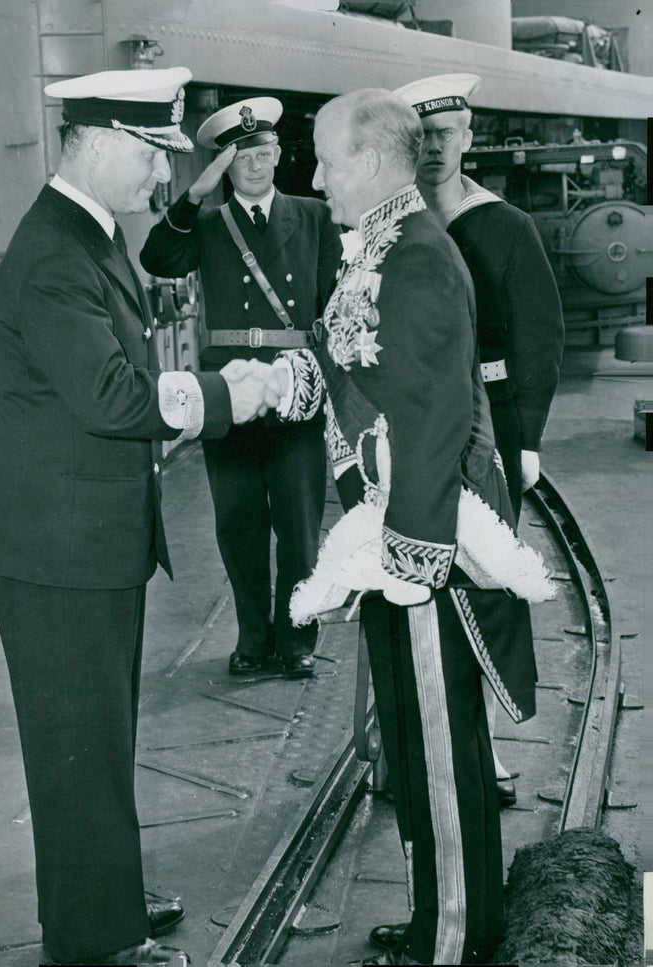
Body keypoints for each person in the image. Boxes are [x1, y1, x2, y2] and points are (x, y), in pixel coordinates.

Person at [0, 67, 279, 967]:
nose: (163, 180)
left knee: (97, 737)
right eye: (154, 157)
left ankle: (105, 890)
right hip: (56, 547)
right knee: (77, 746)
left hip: (88, 538)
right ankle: (95, 942)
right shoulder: (53, 254)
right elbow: (111, 394)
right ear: (103, 141)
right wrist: (236, 389)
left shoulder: (89, 231)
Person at [269, 88, 551, 965]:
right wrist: (282, 378)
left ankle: (460, 937)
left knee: (439, 746)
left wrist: (411, 556)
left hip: (427, 547)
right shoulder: (385, 246)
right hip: (397, 533)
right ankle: (440, 914)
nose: (315, 178)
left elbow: (432, 418)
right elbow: (348, 353)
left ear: (375, 161)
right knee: (413, 735)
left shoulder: (418, 258)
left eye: (325, 160)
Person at [394, 73, 564, 811]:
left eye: (446, 134)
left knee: (484, 590)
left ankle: (482, 750)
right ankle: (415, 747)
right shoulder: (393, 224)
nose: (434, 149)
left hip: (486, 429)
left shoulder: (504, 227)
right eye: (421, 136)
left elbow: (539, 339)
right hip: (409, 433)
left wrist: (525, 440)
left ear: (468, 137)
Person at [140, 97, 341, 679]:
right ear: (224, 165)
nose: (254, 162)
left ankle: (298, 638)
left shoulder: (314, 217)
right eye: (240, 154)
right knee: (239, 523)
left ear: (279, 154)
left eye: (262, 150)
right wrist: (193, 194)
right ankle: (253, 639)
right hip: (226, 391)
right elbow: (158, 258)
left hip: (294, 388)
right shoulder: (204, 222)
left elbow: (333, 302)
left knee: (300, 525)